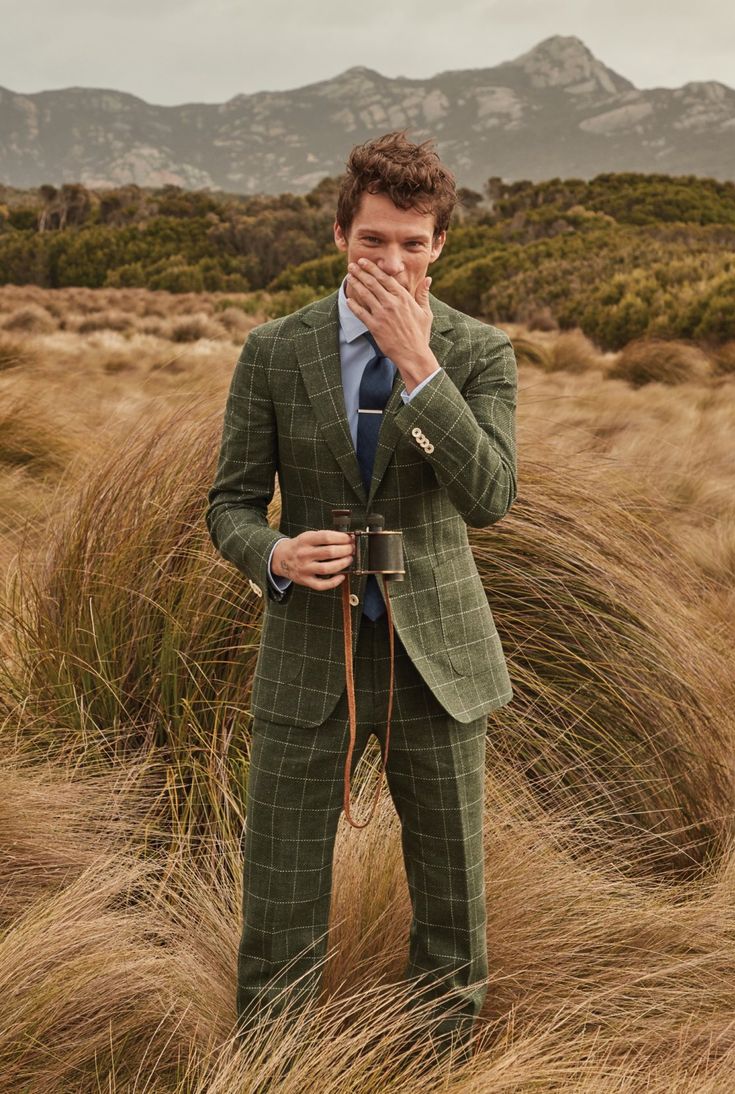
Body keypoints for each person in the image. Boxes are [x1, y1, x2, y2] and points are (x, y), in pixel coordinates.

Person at [205, 130, 518, 1064]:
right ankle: (274, 1069)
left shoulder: (477, 352)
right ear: (341, 233)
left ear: (440, 246)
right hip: (309, 658)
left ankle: (441, 1069)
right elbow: (227, 505)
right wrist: (275, 552)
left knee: (453, 909)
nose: (392, 261)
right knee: (280, 904)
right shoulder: (273, 350)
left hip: (441, 664)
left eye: (413, 244)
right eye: (373, 240)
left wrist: (417, 366)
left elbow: (490, 497)